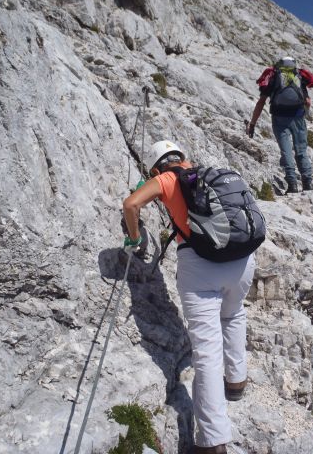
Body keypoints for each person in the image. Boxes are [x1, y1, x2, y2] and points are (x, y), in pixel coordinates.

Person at [122, 140, 256, 454]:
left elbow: (131, 205)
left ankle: (212, 442)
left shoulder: (165, 179)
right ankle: (236, 383)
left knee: (207, 352)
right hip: (243, 260)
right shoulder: (204, 173)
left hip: (200, 266)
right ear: (184, 158)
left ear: (156, 167)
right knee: (234, 314)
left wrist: (135, 237)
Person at [246, 56, 313, 193]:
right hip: (298, 117)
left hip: (279, 118)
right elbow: (307, 102)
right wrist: (305, 113)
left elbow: (261, 103)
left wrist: (253, 123)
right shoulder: (299, 77)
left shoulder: (273, 77)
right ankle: (307, 182)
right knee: (301, 150)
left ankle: (292, 185)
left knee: (286, 151)